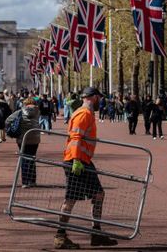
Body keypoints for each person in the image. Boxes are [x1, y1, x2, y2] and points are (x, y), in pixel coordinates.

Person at [55, 87, 117, 249]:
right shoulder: (84, 114)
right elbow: (75, 137)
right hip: (77, 160)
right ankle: (60, 236)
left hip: (82, 160)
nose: (100, 101)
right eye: (99, 98)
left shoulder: (85, 113)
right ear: (94, 97)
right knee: (71, 199)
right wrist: (76, 160)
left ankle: (96, 233)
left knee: (98, 194)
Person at [5, 97, 40, 188]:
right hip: (35, 138)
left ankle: (25, 181)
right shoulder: (37, 112)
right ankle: (32, 180)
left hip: (23, 138)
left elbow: (7, 120)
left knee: (24, 159)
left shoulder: (20, 112)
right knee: (32, 158)